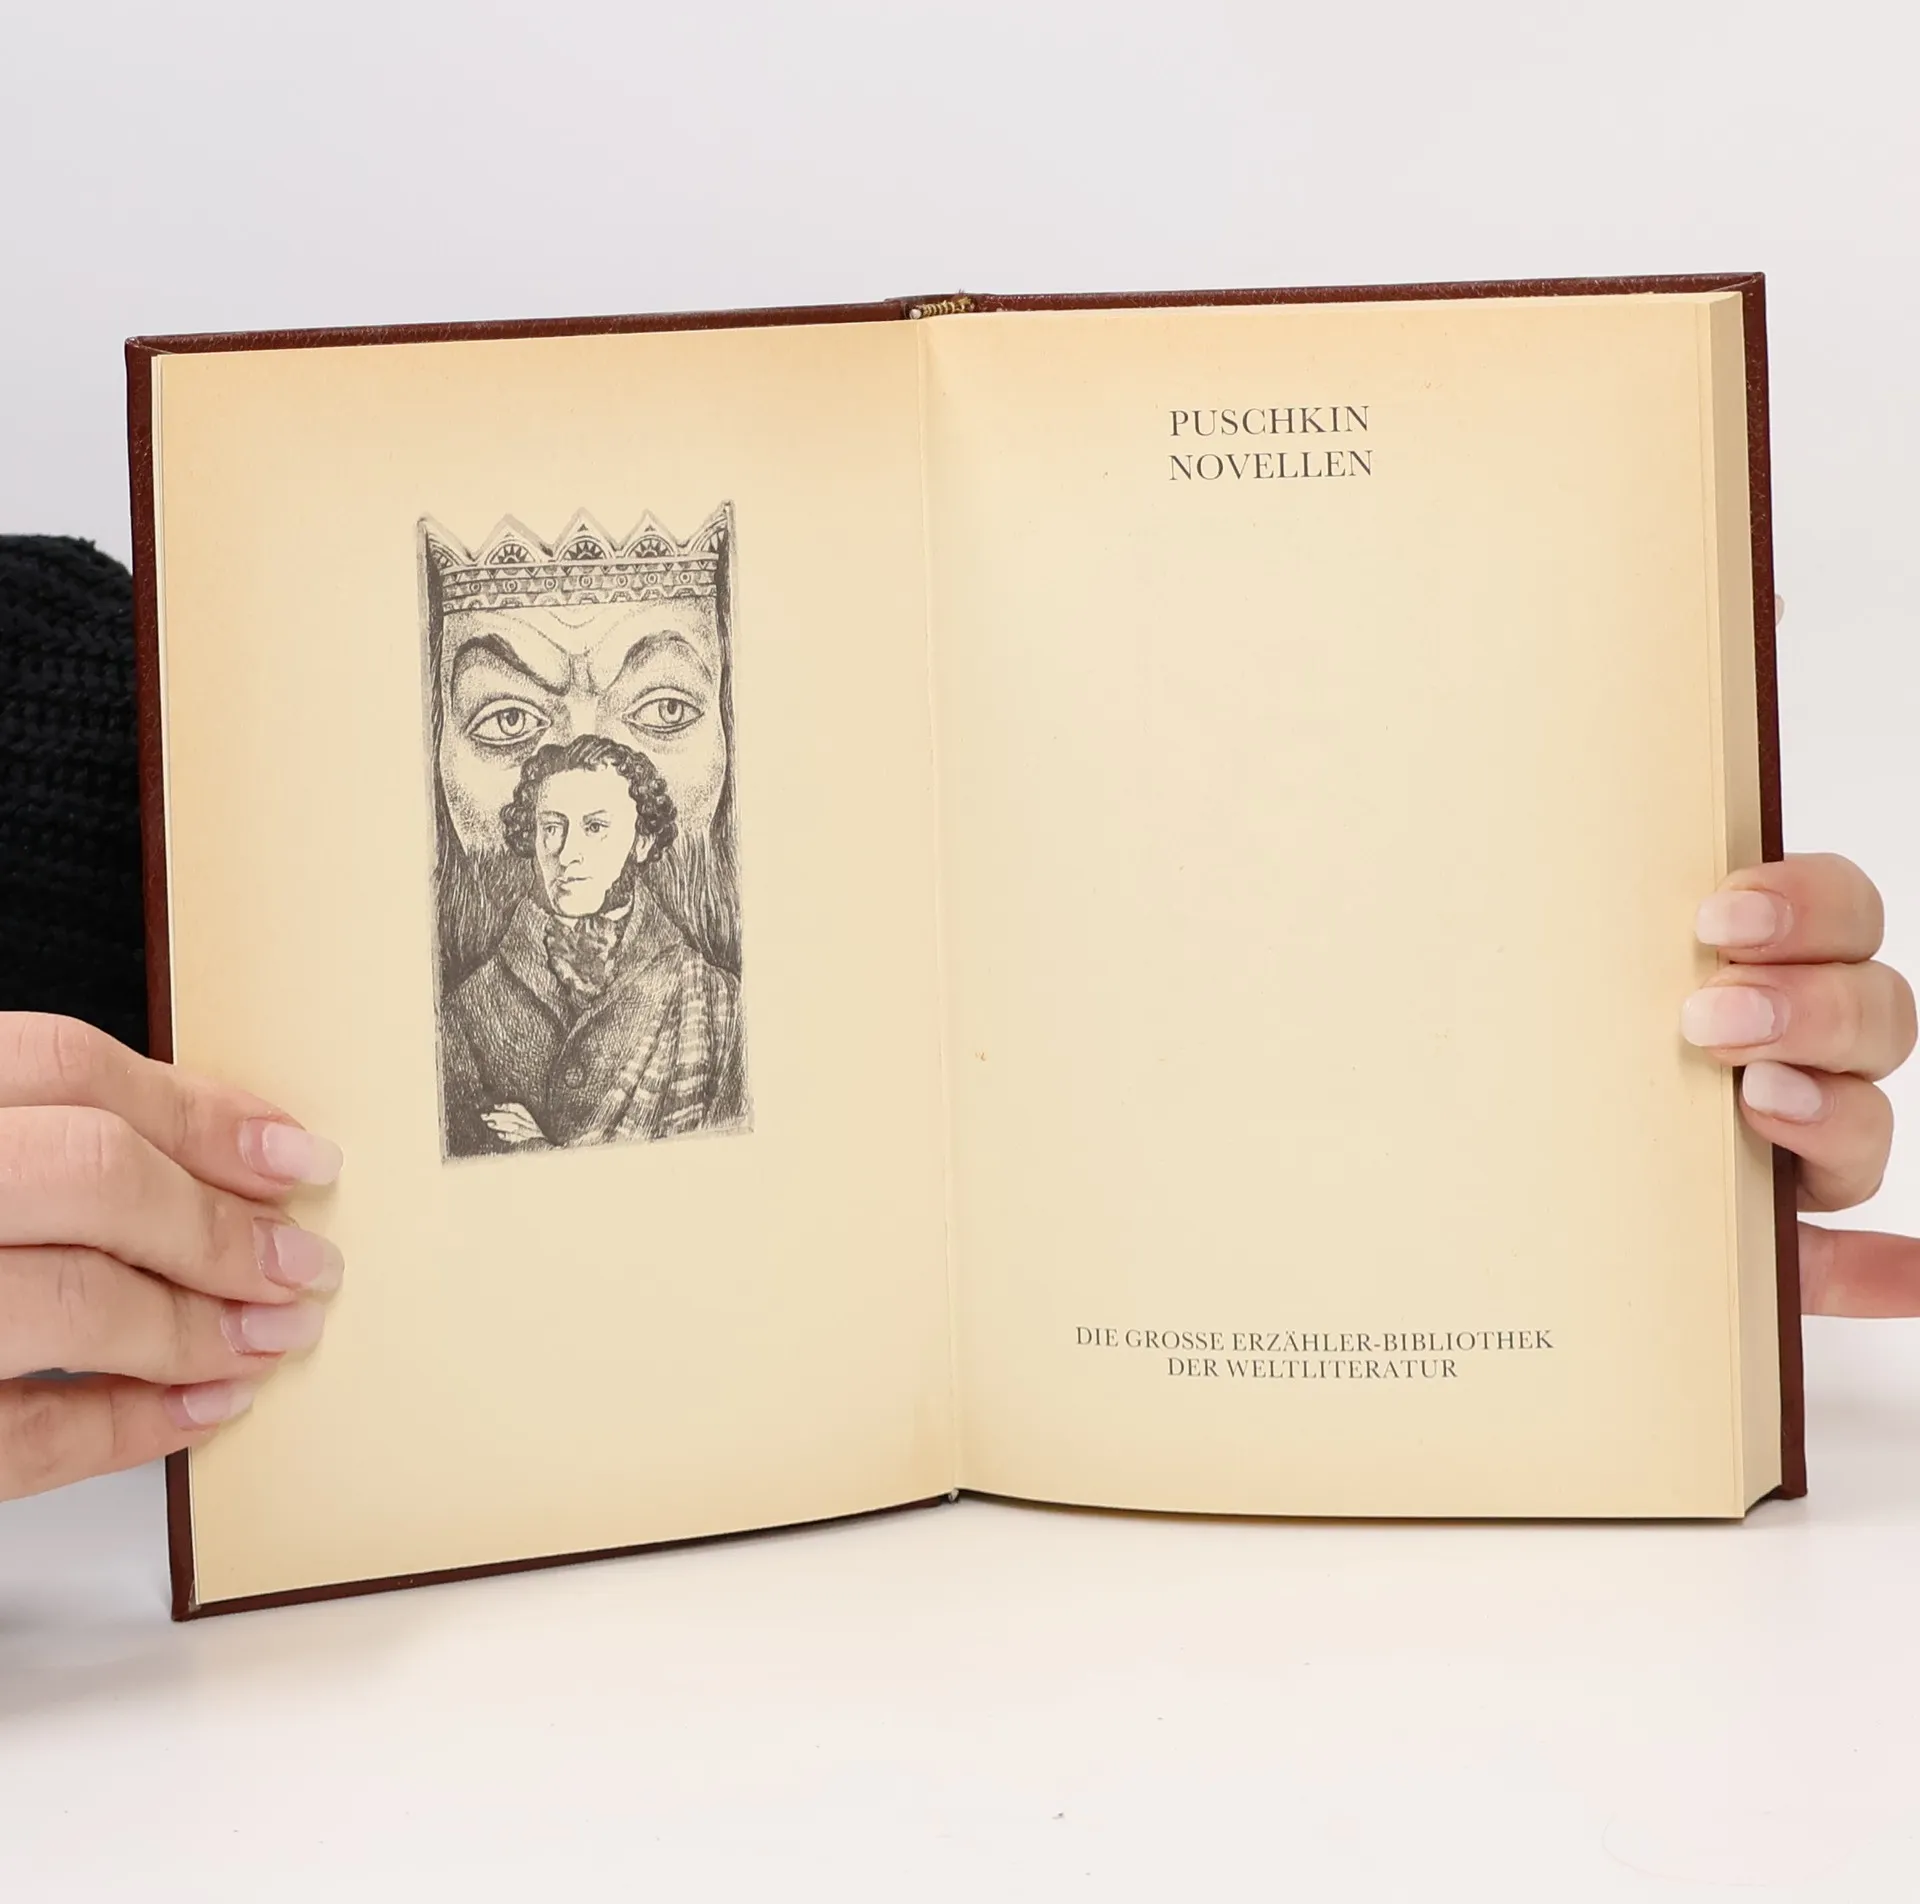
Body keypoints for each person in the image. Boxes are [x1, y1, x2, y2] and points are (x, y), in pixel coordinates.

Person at [0, 539, 1915, 1499]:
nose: (565, 837)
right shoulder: (508, 971)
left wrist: (1557, 1008)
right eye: (514, 755)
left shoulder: (708, 984)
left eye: (627, 765)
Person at [438, 734, 748, 1154]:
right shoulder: (468, 1007)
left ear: (641, 841)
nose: (567, 854)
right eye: (552, 828)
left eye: (595, 827)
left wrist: (538, 1146)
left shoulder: (717, 1001)